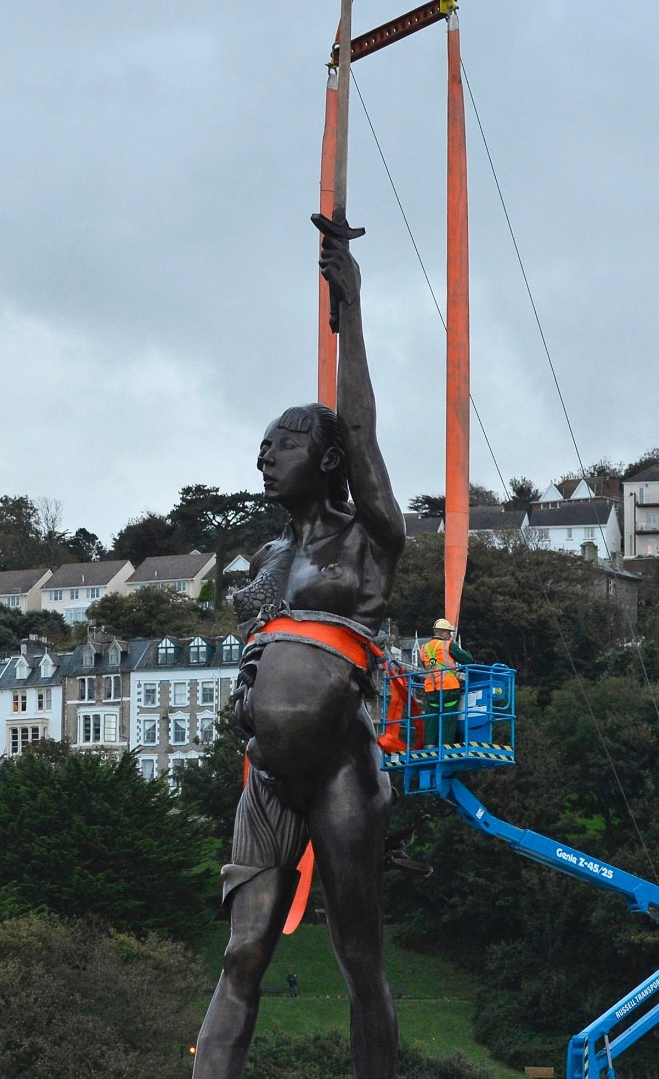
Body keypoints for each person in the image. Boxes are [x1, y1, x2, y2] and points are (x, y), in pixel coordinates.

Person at [192, 210, 404, 1079]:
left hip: (345, 768)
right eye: (263, 444)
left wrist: (348, 303)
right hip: (268, 780)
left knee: (359, 957)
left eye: (283, 442)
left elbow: (359, 427)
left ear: (325, 459)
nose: (264, 455)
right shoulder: (266, 560)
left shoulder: (366, 539)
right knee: (242, 956)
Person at [416, 618, 476, 748]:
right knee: (448, 717)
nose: (450, 636)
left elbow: (430, 665)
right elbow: (468, 660)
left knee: (431, 716)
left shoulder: (423, 648)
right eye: (448, 633)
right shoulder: (448, 645)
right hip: (448, 687)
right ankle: (445, 746)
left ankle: (430, 746)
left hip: (431, 689)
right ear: (442, 633)